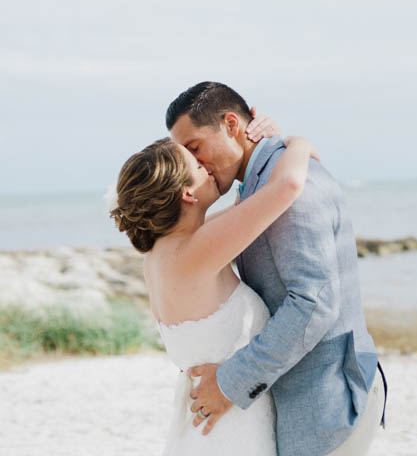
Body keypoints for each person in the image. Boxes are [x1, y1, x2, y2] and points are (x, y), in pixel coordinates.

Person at [166, 81, 386, 456]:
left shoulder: (289, 185)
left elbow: (314, 303)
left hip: (328, 399)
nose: (195, 165)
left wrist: (229, 383)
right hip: (305, 398)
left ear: (232, 125)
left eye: (195, 148)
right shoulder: (260, 184)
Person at [111, 122, 315, 456]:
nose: (208, 166)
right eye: (198, 166)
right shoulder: (195, 252)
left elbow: (246, 207)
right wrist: (298, 142)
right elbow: (288, 185)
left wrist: (258, 139)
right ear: (187, 193)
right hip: (231, 429)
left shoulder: (163, 253)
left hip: (206, 425)